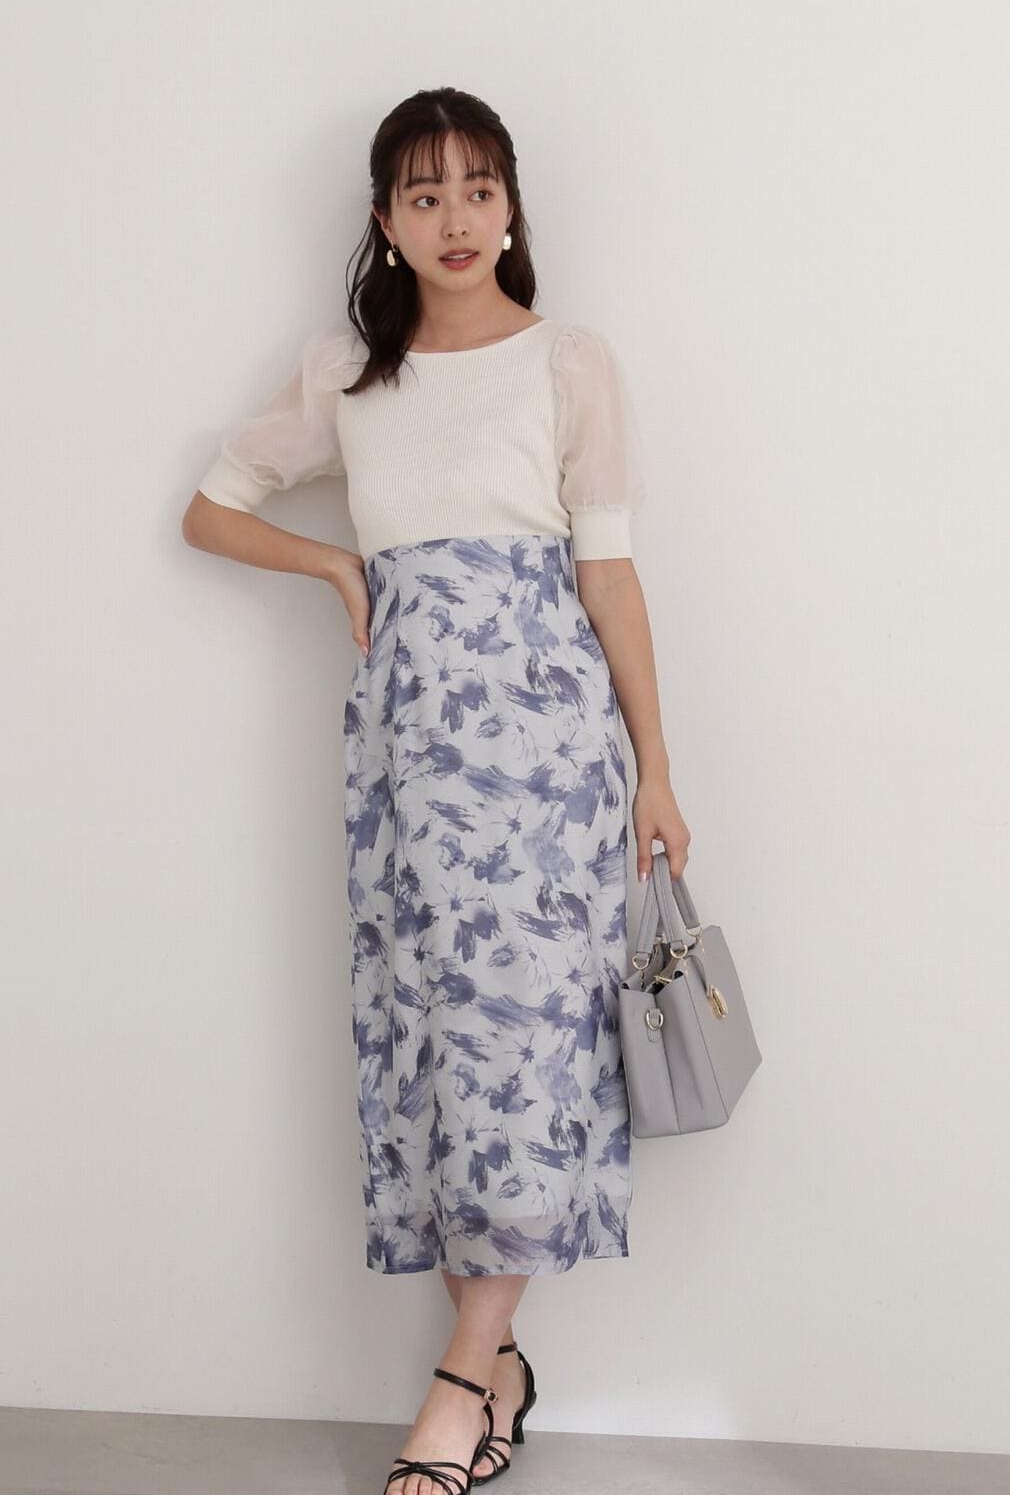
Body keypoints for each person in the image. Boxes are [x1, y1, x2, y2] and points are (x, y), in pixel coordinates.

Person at [181, 87, 691, 1495]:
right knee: (439, 1052)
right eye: (424, 195)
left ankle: (460, 1386)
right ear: (384, 221)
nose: (455, 219)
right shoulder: (349, 370)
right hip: (408, 759)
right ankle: (500, 1364)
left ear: (512, 205)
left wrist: (656, 771)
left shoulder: (568, 363)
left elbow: (609, 576)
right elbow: (210, 507)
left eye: (478, 189)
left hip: (552, 757)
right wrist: (334, 564)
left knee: (529, 1050)